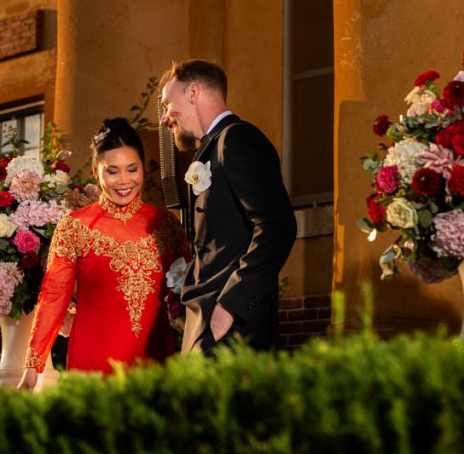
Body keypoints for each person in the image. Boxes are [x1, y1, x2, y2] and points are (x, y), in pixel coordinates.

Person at [17, 117, 190, 391]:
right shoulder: (75, 227)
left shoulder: (166, 225)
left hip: (155, 367)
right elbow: (53, 296)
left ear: (143, 168)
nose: (124, 181)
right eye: (112, 171)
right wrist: (32, 365)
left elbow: (188, 294)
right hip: (92, 368)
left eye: (132, 169)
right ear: (97, 173)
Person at [159, 59, 297, 355]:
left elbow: (277, 226)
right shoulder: (212, 147)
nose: (164, 119)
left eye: (167, 105)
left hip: (231, 328)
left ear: (193, 93)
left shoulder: (237, 139)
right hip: (206, 320)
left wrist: (231, 306)